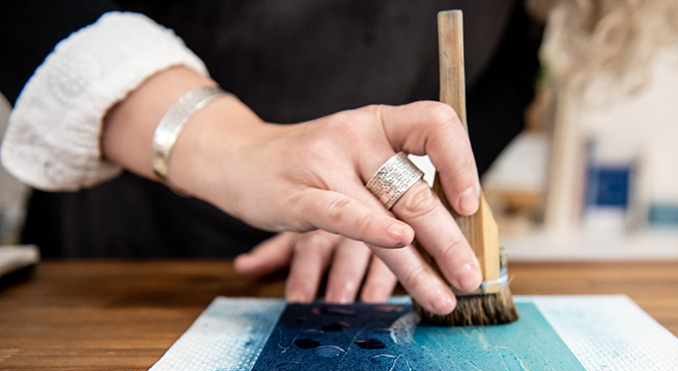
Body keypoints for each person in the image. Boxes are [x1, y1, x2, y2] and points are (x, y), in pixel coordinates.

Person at [0, 1, 541, 313]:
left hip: (367, 278)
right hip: (133, 264)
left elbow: (510, 72)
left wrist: (393, 189)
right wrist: (237, 146)